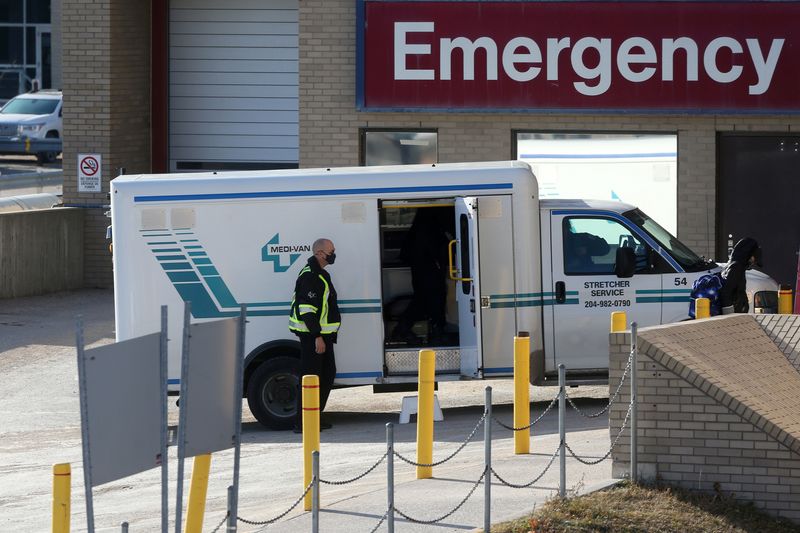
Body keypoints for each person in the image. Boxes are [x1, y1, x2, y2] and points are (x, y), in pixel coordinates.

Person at [288, 238, 340, 433]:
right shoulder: (311, 276)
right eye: (331, 250)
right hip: (313, 337)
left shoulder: (320, 274)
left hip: (322, 337)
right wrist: (317, 336)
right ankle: (304, 423)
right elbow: (306, 310)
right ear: (319, 253)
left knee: (326, 374)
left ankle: (314, 416)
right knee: (312, 378)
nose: (334, 253)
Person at [390, 208, 451, 344]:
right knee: (432, 296)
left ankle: (405, 329)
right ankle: (434, 331)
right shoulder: (434, 218)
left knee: (424, 297)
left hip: (422, 261)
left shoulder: (424, 220)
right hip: (428, 261)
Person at [719, 237, 762, 314]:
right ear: (747, 255)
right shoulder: (736, 267)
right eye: (752, 259)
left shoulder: (737, 266)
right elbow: (726, 292)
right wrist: (729, 314)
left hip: (737, 314)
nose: (752, 262)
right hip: (734, 316)